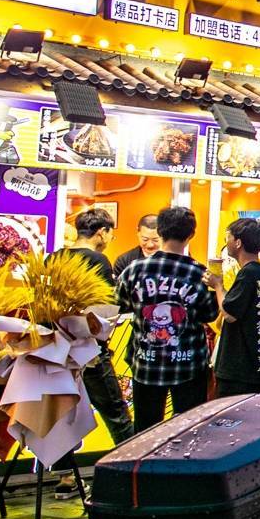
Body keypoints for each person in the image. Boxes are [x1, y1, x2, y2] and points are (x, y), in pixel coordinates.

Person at [116, 207, 221, 434]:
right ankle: (182, 469)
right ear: (190, 235)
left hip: (145, 363)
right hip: (189, 365)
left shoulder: (134, 270)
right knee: (189, 429)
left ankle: (145, 469)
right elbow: (210, 314)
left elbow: (119, 304)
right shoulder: (198, 273)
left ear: (160, 232)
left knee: (145, 430)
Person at [54, 208, 134, 498]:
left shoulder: (55, 257)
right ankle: (131, 472)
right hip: (89, 351)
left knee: (62, 413)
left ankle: (65, 478)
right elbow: (104, 310)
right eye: (111, 233)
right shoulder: (98, 260)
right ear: (102, 232)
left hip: (58, 352)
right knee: (115, 410)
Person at [214, 218, 260, 397]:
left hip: (239, 366)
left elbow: (230, 313)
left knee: (231, 419)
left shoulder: (248, 273)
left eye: (227, 238)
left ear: (238, 242)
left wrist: (218, 286)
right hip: (257, 364)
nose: (226, 243)